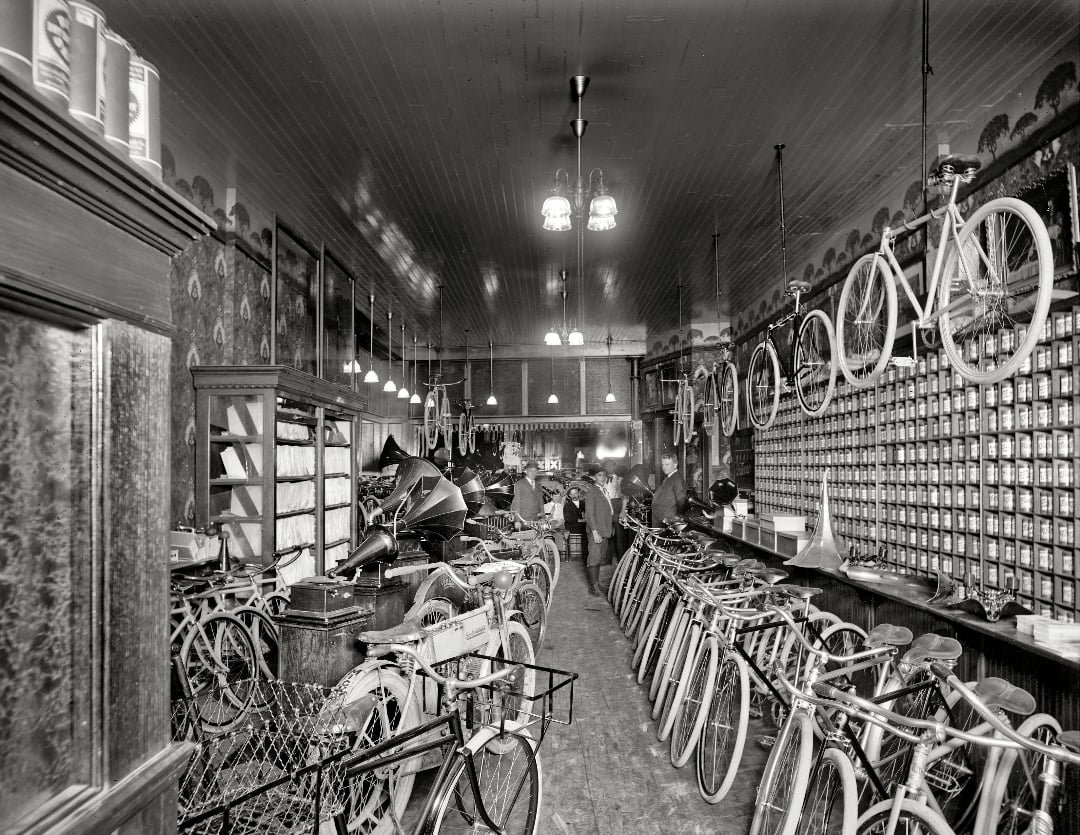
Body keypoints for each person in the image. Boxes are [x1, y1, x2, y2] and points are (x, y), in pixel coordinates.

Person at [583, 471, 613, 596]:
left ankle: (597, 583)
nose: (603, 477)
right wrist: (595, 532)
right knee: (594, 559)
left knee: (599, 558)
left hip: (604, 530)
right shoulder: (592, 491)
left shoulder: (603, 491)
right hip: (597, 531)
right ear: (594, 477)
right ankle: (593, 587)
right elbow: (589, 514)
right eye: (600, 475)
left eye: (604, 475)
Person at [651, 451, 687, 526]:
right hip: (661, 518)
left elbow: (681, 502)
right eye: (663, 464)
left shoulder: (677, 480)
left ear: (675, 464)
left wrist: (672, 519)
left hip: (667, 520)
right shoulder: (669, 478)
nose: (664, 467)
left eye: (667, 464)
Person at [602, 459, 627, 562]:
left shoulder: (619, 479)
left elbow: (624, 497)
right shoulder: (602, 478)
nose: (609, 468)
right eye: (607, 466)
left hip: (617, 505)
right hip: (605, 506)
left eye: (611, 466)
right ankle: (607, 558)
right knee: (607, 534)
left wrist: (622, 511)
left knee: (619, 535)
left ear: (614, 467)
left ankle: (621, 559)